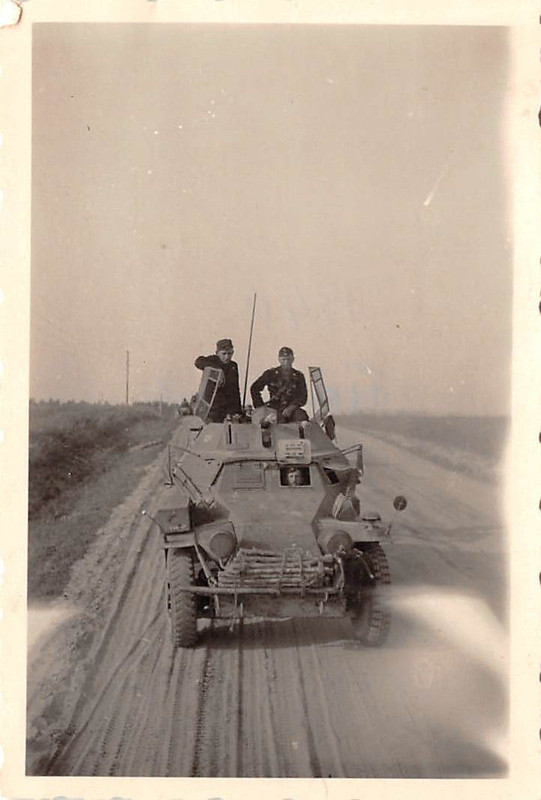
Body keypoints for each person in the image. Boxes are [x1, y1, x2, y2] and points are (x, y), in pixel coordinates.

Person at [250, 346, 309, 423]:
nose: (286, 362)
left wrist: (292, 407)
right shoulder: (270, 374)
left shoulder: (299, 376)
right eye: (284, 359)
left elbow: (303, 396)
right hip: (274, 408)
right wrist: (261, 407)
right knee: (276, 422)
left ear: (293, 359)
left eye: (289, 359)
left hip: (292, 409)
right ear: (279, 359)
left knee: (302, 419)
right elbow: (254, 388)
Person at [194, 338, 242, 423]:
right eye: (224, 354)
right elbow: (198, 361)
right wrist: (217, 370)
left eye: (230, 353)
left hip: (228, 411)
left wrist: (238, 411)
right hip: (212, 410)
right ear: (217, 353)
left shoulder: (233, 366)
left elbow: (235, 390)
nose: (227, 357)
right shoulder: (213, 360)